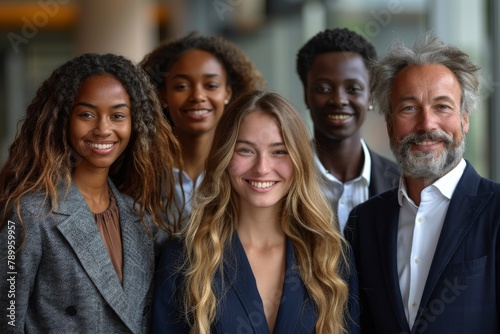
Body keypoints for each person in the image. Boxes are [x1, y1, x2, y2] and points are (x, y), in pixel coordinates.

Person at [0, 53, 182, 333]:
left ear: (134, 124)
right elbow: (7, 316)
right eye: (87, 114)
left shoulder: (142, 220)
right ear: (62, 119)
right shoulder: (28, 214)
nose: (103, 129)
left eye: (118, 115)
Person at [151, 91, 360, 334]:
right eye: (245, 150)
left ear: (299, 160)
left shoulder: (331, 256)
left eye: (279, 151)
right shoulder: (182, 257)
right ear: (225, 156)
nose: (262, 168)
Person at [345, 33, 500, 333]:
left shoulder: (495, 210)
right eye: (409, 108)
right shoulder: (363, 222)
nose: (427, 124)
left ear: (465, 119)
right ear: (390, 124)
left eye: (442, 106)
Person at [140, 32, 266, 234]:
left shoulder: (249, 171)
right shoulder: (140, 174)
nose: (198, 96)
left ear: (227, 93)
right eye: (182, 86)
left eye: (211, 86)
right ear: (162, 95)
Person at [296, 28, 400, 235]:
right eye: (323, 88)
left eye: (353, 89)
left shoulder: (402, 185)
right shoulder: (282, 179)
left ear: (370, 96)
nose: (339, 100)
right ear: (306, 95)